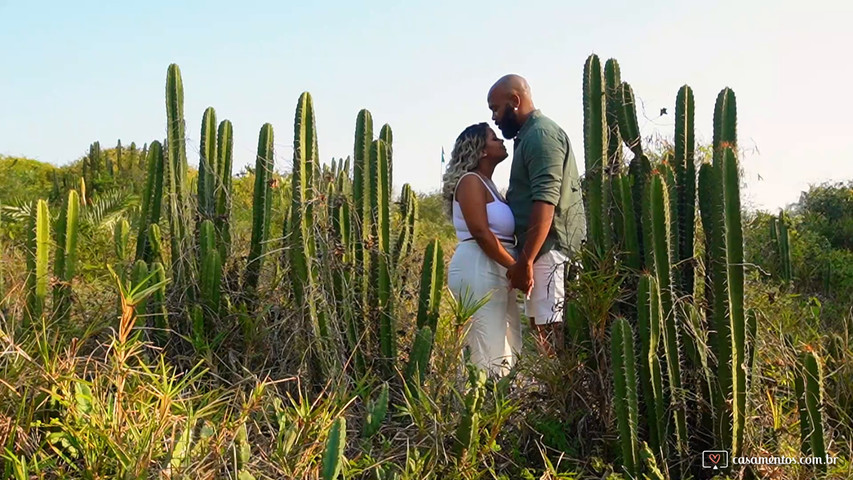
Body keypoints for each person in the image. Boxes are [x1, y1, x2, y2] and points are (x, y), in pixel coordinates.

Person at [487, 74, 587, 356]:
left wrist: (527, 260)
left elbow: (546, 201)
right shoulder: (529, 136)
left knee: (552, 337)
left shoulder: (541, 136)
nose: (494, 117)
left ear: (515, 101)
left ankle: (567, 399)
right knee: (543, 333)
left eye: (496, 108)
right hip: (541, 251)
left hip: (550, 250)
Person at [443, 122, 523, 377]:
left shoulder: (489, 185)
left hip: (495, 264)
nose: (500, 141)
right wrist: (515, 266)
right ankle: (478, 406)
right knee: (486, 342)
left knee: (506, 339)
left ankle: (498, 403)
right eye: (493, 138)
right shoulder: (470, 182)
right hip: (478, 265)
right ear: (481, 150)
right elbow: (479, 231)